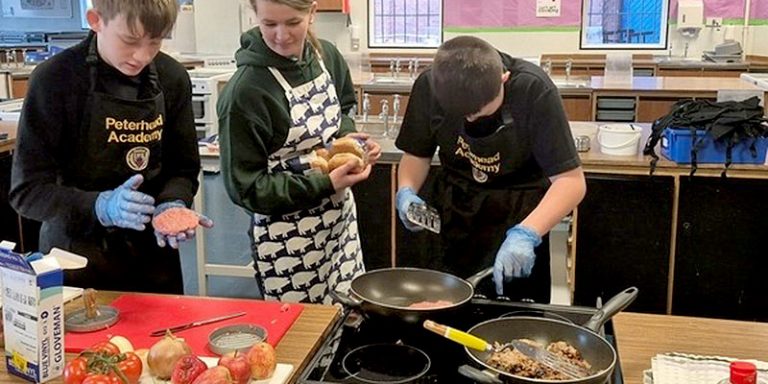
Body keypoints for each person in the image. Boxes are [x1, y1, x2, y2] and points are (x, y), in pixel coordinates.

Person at [9, 0, 211, 294]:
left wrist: (173, 202)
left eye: (154, 42)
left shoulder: (171, 78)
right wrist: (101, 206)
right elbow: (27, 191)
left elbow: (183, 167)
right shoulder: (56, 80)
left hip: (152, 258)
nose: (142, 56)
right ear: (95, 20)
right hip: (76, 259)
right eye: (129, 40)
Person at [395, 36, 586, 303]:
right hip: (454, 215)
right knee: (445, 311)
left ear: (504, 79)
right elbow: (417, 153)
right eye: (463, 116)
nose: (471, 120)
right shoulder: (430, 84)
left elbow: (571, 181)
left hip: (519, 213)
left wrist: (527, 233)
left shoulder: (533, 89)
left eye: (479, 114)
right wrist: (406, 190)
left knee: (514, 321)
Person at [218, 0, 381, 304]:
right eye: (269, 24)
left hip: (339, 225)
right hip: (286, 241)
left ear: (313, 12)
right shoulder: (246, 92)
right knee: (303, 338)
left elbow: (343, 108)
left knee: (350, 322)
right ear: (255, 17)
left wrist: (351, 141)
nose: (281, 35)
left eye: (293, 23)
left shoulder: (326, 57)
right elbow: (247, 188)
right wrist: (325, 183)